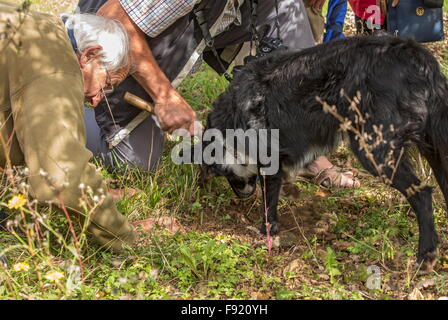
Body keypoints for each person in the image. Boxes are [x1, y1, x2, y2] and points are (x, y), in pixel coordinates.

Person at [79, 0, 360, 188]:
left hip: (203, 19)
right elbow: (113, 16)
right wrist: (164, 96)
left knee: (286, 6)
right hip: (109, 46)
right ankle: (64, 115)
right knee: (136, 163)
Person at [0, 3, 177, 253]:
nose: (95, 100)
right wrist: (126, 237)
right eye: (106, 84)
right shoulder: (56, 69)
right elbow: (61, 176)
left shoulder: (41, 26)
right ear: (91, 54)